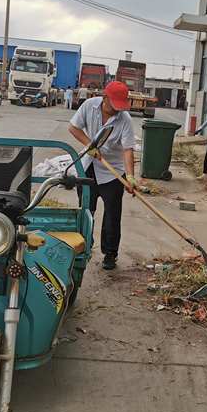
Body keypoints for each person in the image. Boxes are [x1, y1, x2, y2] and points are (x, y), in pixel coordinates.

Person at [68, 81, 138, 270]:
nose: (117, 110)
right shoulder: (89, 106)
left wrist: (130, 177)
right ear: (105, 98)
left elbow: (128, 150)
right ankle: (84, 244)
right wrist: (90, 145)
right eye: (115, 105)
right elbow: (73, 128)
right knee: (86, 211)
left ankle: (110, 254)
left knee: (112, 215)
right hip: (89, 166)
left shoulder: (124, 119)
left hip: (113, 172)